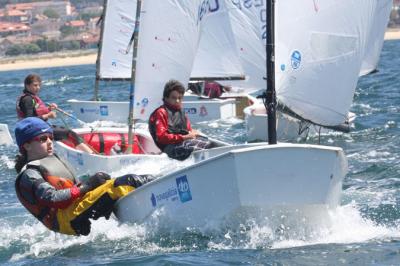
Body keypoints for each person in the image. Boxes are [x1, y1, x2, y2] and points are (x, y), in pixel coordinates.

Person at [14, 117, 153, 236]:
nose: (50, 142)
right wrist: (88, 186)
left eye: (51, 137)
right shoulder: (29, 174)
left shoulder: (51, 159)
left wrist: (91, 180)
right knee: (127, 182)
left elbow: (73, 186)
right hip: (66, 220)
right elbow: (53, 198)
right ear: (26, 146)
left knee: (111, 181)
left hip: (74, 208)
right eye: (43, 139)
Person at [16, 74, 93, 154]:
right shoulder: (27, 99)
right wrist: (48, 115)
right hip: (36, 132)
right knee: (69, 133)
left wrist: (49, 109)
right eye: (35, 85)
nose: (38, 88)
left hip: (39, 129)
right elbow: (29, 120)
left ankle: (76, 152)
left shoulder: (30, 97)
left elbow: (35, 112)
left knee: (64, 130)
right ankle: (90, 154)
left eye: (39, 85)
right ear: (27, 86)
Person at [148, 79, 212, 161]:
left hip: (182, 143)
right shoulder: (161, 112)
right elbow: (161, 137)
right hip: (169, 149)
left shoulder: (181, 112)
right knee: (201, 144)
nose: (177, 101)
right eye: (174, 98)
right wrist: (184, 137)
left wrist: (193, 133)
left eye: (180, 98)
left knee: (206, 141)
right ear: (166, 98)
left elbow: (188, 130)